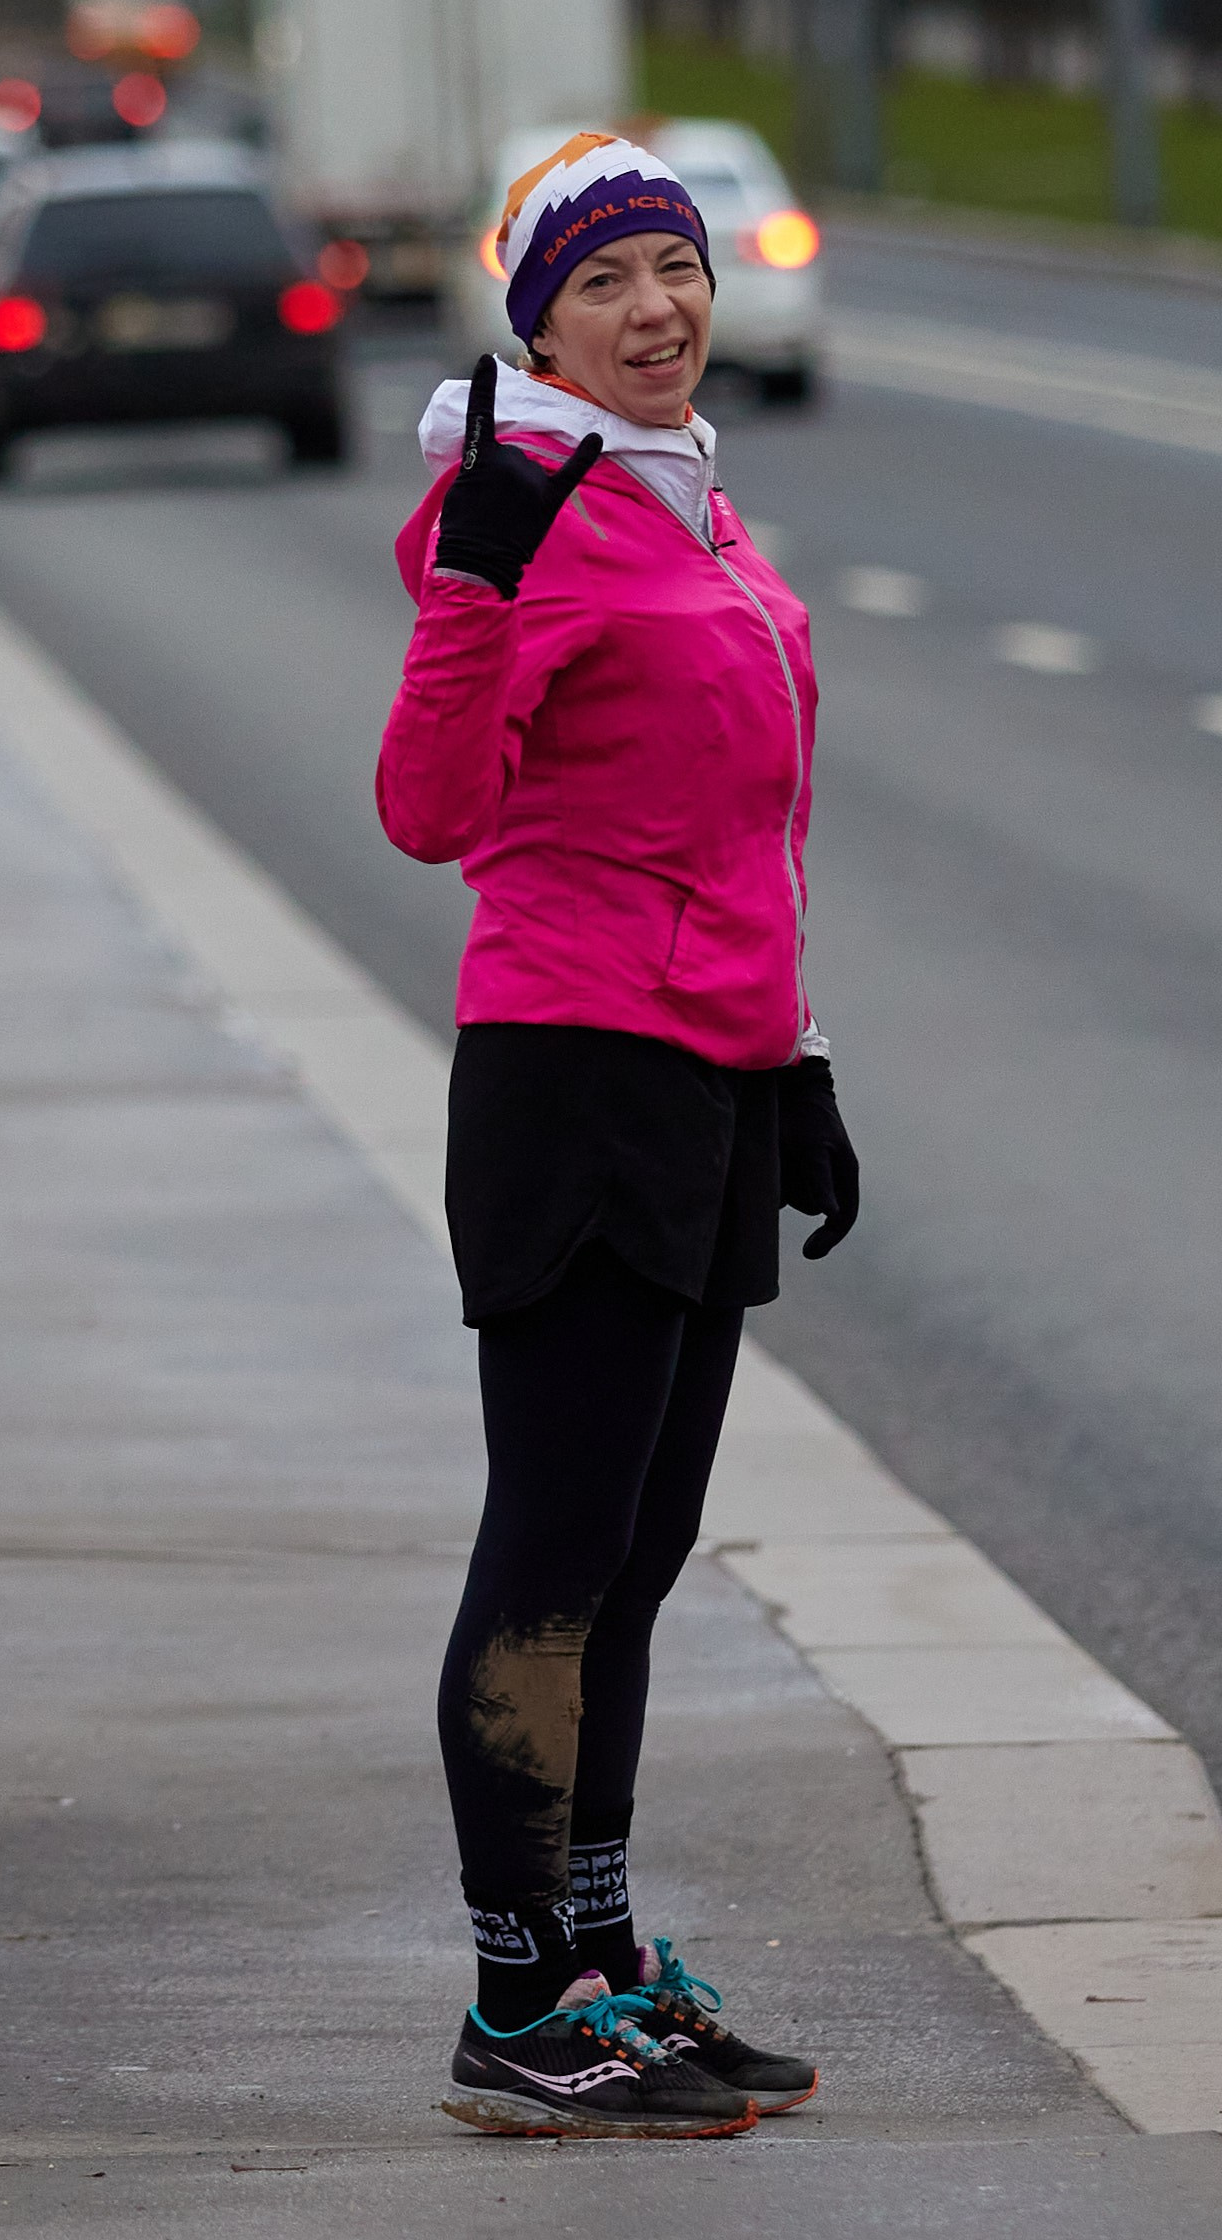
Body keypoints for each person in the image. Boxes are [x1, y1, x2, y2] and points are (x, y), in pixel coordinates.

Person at [376, 132, 860, 2141]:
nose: (659, 306)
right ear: (540, 326)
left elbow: (733, 819)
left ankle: (597, 1951)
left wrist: (799, 1057)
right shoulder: (534, 508)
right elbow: (429, 804)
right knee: (558, 1555)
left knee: (643, 1555)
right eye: (609, 283)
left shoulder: (685, 505)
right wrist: (480, 572)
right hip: (578, 1070)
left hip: (710, 1072)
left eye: (676, 265)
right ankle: (512, 2002)